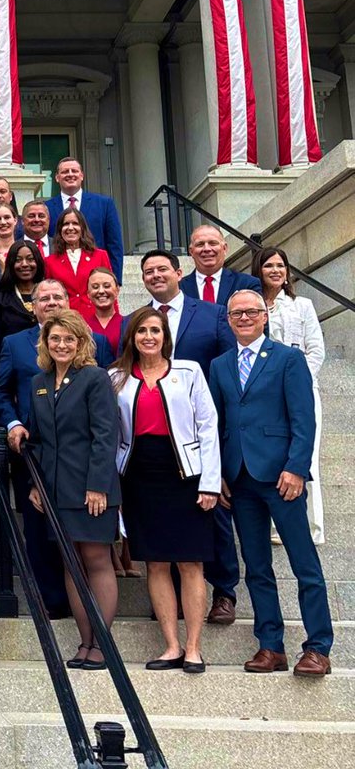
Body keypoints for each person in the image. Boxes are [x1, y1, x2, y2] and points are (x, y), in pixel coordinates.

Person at [208, 290, 333, 676]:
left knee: (304, 563)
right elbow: (216, 424)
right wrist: (218, 474)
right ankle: (270, 646)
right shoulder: (219, 365)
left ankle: (318, 647)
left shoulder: (288, 359)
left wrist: (297, 468)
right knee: (257, 566)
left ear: (265, 316)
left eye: (251, 312)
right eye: (236, 313)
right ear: (228, 320)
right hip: (240, 478)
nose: (244, 318)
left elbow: (304, 418)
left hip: (282, 477)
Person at [111, 307, 220, 674]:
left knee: (190, 561)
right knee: (155, 562)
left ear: (165, 336)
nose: (149, 337)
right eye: (141, 331)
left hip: (185, 475)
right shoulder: (116, 377)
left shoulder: (189, 371)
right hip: (138, 474)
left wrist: (210, 482)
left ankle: (194, 648)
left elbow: (208, 426)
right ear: (132, 337)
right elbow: (111, 433)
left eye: (155, 330)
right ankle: (171, 645)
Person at [140, 248, 239, 624]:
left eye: (162, 269)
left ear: (179, 272)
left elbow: (229, 370)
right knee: (165, 524)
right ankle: (172, 601)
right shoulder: (138, 321)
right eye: (148, 271)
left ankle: (224, 591)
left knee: (215, 513)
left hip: (205, 432)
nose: (155, 275)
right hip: (155, 447)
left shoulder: (212, 314)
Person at [23, 310, 121, 670]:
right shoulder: (39, 382)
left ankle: (102, 644)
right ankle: (85, 642)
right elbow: (38, 440)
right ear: (45, 343)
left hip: (91, 487)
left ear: (81, 343)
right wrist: (35, 484)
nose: (61, 345)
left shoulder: (94, 378)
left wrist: (97, 486)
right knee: (71, 562)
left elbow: (105, 434)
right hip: (55, 490)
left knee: (96, 560)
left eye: (69, 339)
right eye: (55, 338)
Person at [253, 245, 326, 544]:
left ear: (287, 272)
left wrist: (294, 383)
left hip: (301, 392)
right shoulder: (252, 307)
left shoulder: (302, 305)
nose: (275, 270)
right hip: (264, 395)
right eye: (268, 265)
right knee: (273, 458)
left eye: (280, 266)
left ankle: (312, 527)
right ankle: (275, 526)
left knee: (306, 457)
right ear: (258, 271)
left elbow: (316, 351)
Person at [45, 157, 124, 280]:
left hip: (96, 276)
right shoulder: (47, 208)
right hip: (60, 278)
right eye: (65, 172)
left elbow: (114, 244)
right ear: (57, 177)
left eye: (74, 171)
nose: (70, 174)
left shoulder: (104, 204)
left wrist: (116, 280)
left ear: (81, 176)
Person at [0, 240, 46, 370]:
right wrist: (1, 375)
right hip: (13, 371)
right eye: (18, 260)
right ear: (11, 264)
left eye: (30, 259)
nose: (25, 264)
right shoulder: (0, 300)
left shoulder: (50, 295)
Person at [44, 208, 112, 321]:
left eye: (75, 223)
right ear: (60, 229)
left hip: (97, 318)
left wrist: (115, 320)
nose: (70, 228)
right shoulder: (50, 262)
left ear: (82, 228)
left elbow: (110, 291)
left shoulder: (100, 256)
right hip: (66, 320)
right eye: (66, 224)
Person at [182, 225, 261, 304]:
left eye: (213, 243)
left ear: (224, 248)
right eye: (200, 244)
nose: (207, 249)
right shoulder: (179, 288)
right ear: (191, 251)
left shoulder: (247, 284)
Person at [87, 268, 127, 354]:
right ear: (88, 294)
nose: (101, 291)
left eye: (107, 286)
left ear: (117, 290)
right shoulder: (83, 326)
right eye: (95, 287)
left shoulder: (129, 324)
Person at [20, 199, 52, 264]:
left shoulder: (60, 246)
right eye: (31, 216)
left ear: (48, 220)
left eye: (41, 216)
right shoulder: (14, 246)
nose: (37, 220)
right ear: (22, 220)